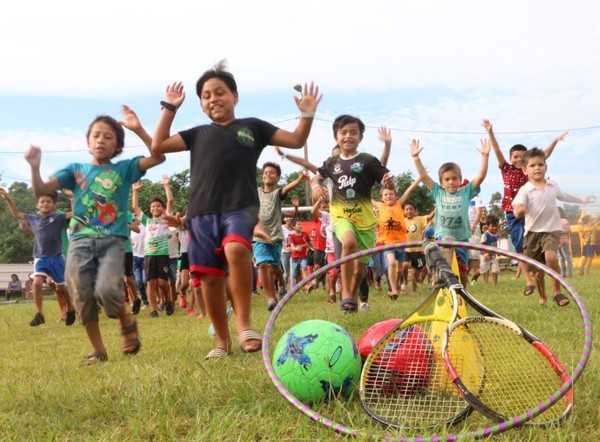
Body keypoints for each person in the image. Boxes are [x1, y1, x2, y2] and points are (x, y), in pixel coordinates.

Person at [150, 60, 322, 360]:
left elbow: (296, 140)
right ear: (201, 104)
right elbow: (159, 144)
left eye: (220, 92)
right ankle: (222, 340)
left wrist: (306, 114)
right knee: (210, 278)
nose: (214, 98)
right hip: (201, 213)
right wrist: (170, 107)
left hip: (240, 207)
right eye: (206, 95)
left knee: (237, 251)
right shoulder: (197, 134)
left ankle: (244, 325)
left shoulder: (252, 127)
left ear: (235, 96)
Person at [25, 105, 165, 365]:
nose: (101, 140)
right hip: (79, 242)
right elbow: (41, 189)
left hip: (113, 242)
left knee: (106, 291)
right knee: (80, 293)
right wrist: (35, 167)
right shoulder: (75, 170)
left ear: (118, 145)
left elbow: (158, 157)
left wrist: (138, 129)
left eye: (109, 136)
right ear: (88, 141)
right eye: (96, 135)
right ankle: (98, 350)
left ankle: (125, 320)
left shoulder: (124, 169)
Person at [312, 115, 394, 313]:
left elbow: (387, 181)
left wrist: (390, 183)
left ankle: (352, 296)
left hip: (365, 222)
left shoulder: (368, 160)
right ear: (336, 136)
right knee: (348, 243)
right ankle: (347, 294)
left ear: (361, 137)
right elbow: (316, 177)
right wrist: (315, 187)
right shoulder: (331, 163)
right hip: (341, 215)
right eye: (343, 132)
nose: (348, 136)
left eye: (353, 132)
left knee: (359, 270)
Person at [483, 119, 568, 296]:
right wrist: (490, 132)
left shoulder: (529, 170)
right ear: (510, 158)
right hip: (512, 212)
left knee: (533, 243)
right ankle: (528, 281)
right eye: (515, 157)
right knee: (520, 245)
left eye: (522, 157)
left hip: (532, 213)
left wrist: (554, 141)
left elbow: (544, 155)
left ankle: (543, 272)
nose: (519, 159)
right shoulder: (506, 169)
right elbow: (497, 150)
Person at [512, 147, 591, 307]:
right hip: (533, 234)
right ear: (525, 170)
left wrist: (581, 200)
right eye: (532, 165)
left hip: (552, 230)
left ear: (546, 167)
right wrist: (519, 210)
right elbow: (517, 207)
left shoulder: (552, 185)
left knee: (551, 257)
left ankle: (557, 291)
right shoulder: (525, 189)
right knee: (536, 271)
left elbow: (564, 196)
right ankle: (542, 296)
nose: (537, 168)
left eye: (540, 164)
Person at [411, 137, 491, 285]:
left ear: (460, 180)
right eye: (447, 179)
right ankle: (441, 277)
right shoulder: (437, 191)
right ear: (441, 182)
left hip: (461, 237)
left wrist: (485, 156)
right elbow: (423, 176)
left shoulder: (465, 192)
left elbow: (480, 177)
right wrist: (416, 158)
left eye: (454, 178)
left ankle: (463, 293)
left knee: (462, 270)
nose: (451, 182)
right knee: (446, 249)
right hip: (443, 235)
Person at [0, 188, 76, 326]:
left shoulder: (58, 217)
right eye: (42, 202)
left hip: (57, 257)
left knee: (60, 288)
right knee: (36, 283)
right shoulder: (33, 218)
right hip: (40, 257)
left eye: (48, 202)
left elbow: (75, 213)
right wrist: (7, 198)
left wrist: (71, 198)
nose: (45, 204)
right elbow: (16, 213)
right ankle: (39, 313)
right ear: (37, 205)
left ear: (54, 205)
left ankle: (70, 308)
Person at [254, 162, 308, 311]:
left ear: (278, 178)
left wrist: (299, 180)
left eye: (272, 173)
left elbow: (287, 188)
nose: (267, 175)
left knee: (275, 267)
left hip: (275, 237)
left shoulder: (277, 194)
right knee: (263, 264)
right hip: (259, 237)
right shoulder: (256, 191)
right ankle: (271, 298)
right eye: (265, 173)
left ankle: (281, 283)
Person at [373, 176, 422, 299]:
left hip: (400, 243)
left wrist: (419, 178)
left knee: (399, 270)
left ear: (396, 196)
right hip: (387, 242)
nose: (388, 196)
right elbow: (366, 198)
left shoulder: (398, 204)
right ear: (382, 198)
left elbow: (408, 191)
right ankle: (394, 290)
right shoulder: (380, 206)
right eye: (386, 195)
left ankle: (396, 286)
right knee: (392, 263)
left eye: (391, 194)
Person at [402, 201, 434, 295]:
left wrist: (438, 206)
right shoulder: (402, 220)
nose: (409, 211)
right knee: (404, 265)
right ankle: (404, 281)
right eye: (407, 209)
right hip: (406, 250)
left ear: (415, 211)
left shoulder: (419, 219)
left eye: (411, 209)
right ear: (404, 211)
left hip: (418, 251)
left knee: (414, 273)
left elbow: (430, 216)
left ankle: (414, 290)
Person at [479, 214, 501, 285]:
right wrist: (485, 253)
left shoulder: (497, 235)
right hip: (484, 255)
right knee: (484, 269)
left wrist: (498, 252)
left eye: (496, 226)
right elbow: (482, 245)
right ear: (488, 226)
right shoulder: (485, 235)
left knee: (495, 269)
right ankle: (485, 283)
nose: (494, 228)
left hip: (492, 256)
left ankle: (495, 284)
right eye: (492, 226)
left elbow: (496, 245)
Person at [557, 207, 574, 278]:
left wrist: (560, 232)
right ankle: (563, 274)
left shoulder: (564, 220)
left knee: (567, 257)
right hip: (558, 242)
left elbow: (569, 230)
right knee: (561, 258)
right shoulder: (555, 221)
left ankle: (570, 273)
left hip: (564, 242)